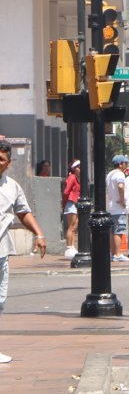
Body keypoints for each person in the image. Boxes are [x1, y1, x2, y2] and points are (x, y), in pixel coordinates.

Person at [0, 139, 48, 363]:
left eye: (1, 159)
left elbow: (23, 212)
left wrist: (39, 234)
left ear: (9, 162)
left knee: (0, 300)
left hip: (1, 252)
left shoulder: (11, 186)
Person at [106, 156, 129, 262]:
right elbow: (121, 186)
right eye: (125, 163)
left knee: (112, 231)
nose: (126, 165)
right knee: (119, 231)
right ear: (120, 164)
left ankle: (113, 253)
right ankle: (117, 254)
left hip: (111, 206)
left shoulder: (110, 174)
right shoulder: (120, 174)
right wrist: (122, 200)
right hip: (118, 207)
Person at [62, 160, 81, 258]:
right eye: (78, 167)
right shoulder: (72, 177)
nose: (80, 169)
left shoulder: (78, 178)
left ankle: (72, 246)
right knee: (71, 226)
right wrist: (64, 203)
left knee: (75, 227)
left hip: (76, 204)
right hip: (71, 203)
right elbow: (66, 191)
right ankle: (69, 247)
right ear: (74, 169)